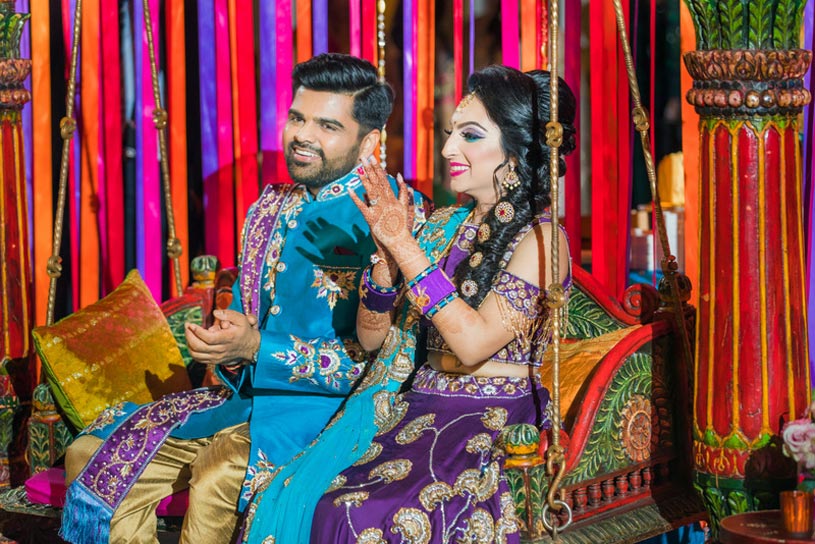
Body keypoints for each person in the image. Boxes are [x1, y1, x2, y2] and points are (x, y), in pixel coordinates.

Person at [60, 53, 424, 544]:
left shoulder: (395, 217)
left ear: (369, 142)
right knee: (90, 454)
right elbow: (250, 322)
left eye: (327, 125)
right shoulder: (270, 206)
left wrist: (257, 348)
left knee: (216, 480)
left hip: (329, 418)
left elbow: (387, 361)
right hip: (243, 405)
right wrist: (226, 347)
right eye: (297, 117)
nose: (302, 134)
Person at [242, 65, 577, 543]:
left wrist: (406, 249)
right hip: (414, 407)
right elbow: (374, 339)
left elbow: (475, 343)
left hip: (490, 422)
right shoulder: (443, 224)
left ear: (519, 150)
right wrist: (383, 269)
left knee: (359, 517)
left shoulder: (544, 240)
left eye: (470, 135)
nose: (447, 149)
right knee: (303, 496)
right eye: (450, 134)